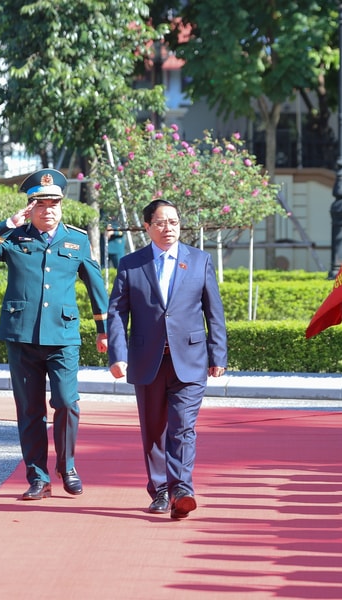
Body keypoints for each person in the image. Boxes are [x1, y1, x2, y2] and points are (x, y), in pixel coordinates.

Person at [0, 169, 109, 500]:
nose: (48, 210)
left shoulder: (76, 240)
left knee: (66, 402)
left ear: (62, 205)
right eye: (41, 204)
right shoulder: (14, 237)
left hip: (62, 336)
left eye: (54, 204)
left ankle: (68, 465)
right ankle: (38, 477)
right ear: (30, 207)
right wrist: (7, 224)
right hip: (21, 336)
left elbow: (95, 285)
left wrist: (103, 330)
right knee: (30, 409)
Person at [107, 199, 227, 519]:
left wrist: (219, 354)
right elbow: (117, 313)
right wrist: (118, 355)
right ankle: (159, 490)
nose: (168, 228)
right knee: (154, 429)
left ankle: (182, 490)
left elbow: (214, 312)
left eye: (173, 222)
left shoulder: (199, 260)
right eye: (160, 223)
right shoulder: (131, 264)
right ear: (147, 227)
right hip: (148, 359)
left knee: (182, 428)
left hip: (190, 358)